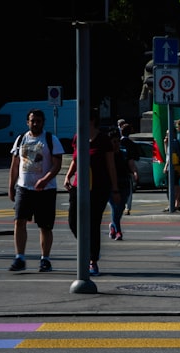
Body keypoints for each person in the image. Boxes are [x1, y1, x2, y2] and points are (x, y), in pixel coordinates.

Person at [7, 109, 63, 273]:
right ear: (27, 122)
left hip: (46, 191)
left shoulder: (51, 140)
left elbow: (57, 164)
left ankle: (45, 259)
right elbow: (14, 165)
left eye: (38, 121)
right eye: (33, 121)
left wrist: (45, 179)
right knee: (19, 221)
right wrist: (11, 186)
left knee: (45, 226)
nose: (35, 123)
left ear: (43, 122)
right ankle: (20, 258)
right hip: (24, 188)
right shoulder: (20, 139)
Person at [64, 109, 119, 277]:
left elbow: (111, 166)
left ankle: (92, 261)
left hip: (99, 188)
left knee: (93, 223)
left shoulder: (103, 140)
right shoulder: (77, 137)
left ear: (92, 120)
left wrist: (115, 189)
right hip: (78, 186)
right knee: (73, 221)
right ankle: (88, 248)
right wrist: (68, 175)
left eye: (84, 118)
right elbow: (75, 159)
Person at [107, 129, 137, 241]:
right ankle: (118, 231)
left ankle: (113, 226)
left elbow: (131, 164)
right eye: (113, 142)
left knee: (120, 208)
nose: (116, 144)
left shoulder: (124, 153)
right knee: (115, 207)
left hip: (124, 184)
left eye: (117, 141)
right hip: (111, 184)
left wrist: (134, 173)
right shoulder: (107, 155)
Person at [118, 123, 141, 214]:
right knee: (128, 190)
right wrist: (135, 171)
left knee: (117, 189)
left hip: (117, 169)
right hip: (127, 170)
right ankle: (127, 207)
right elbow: (135, 158)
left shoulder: (117, 142)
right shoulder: (131, 144)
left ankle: (119, 206)